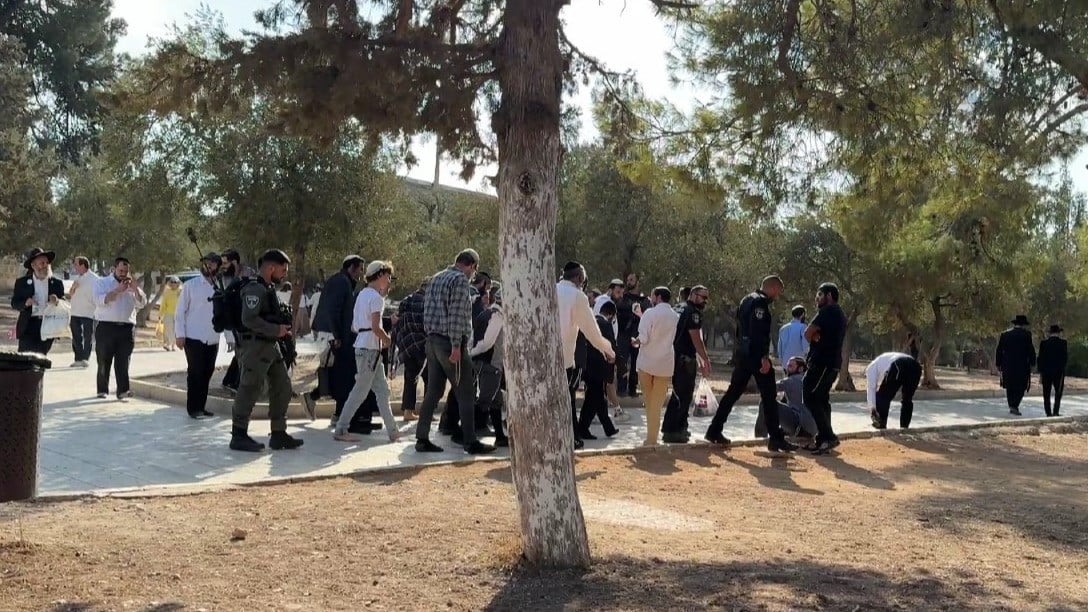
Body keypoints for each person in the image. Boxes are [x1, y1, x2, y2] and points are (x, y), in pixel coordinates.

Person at [414, 249, 495, 455]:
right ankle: (470, 441)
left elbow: (428, 311)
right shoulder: (459, 281)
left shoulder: (436, 278)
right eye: (474, 270)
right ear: (471, 265)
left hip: (432, 340)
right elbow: (457, 316)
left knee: (433, 392)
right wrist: (457, 346)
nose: (473, 275)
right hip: (451, 343)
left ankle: (422, 438)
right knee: (466, 392)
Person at [704, 276, 797, 453]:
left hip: (743, 355)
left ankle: (714, 429)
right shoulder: (760, 303)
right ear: (773, 287)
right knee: (769, 396)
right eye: (778, 291)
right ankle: (776, 439)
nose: (777, 295)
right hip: (755, 355)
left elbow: (741, 330)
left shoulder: (746, 300)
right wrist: (763, 356)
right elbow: (758, 331)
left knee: (732, 393)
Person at [229, 249, 304, 452]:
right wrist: (275, 329)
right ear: (271, 268)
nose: (285, 274)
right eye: (283, 269)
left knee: (283, 387)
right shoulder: (254, 289)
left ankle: (279, 433)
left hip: (270, 346)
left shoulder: (268, 288)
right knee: (250, 387)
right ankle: (238, 434)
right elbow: (248, 319)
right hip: (255, 346)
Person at [333, 261, 401, 443]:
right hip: (371, 350)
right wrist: (386, 339)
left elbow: (355, 326)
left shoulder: (362, 294)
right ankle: (341, 428)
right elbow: (376, 326)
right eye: (388, 277)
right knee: (362, 391)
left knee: (381, 391)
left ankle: (393, 432)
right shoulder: (376, 298)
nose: (389, 281)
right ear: (380, 276)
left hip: (365, 347)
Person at [557, 262, 617, 449]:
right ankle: (569, 439)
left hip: (540, 358)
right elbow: (593, 334)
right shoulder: (578, 297)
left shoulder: (549, 289)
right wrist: (608, 351)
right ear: (580, 278)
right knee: (565, 401)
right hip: (564, 360)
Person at [310, 255, 365, 426]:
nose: (361, 273)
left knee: (339, 374)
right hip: (333, 335)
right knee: (336, 373)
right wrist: (337, 336)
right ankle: (314, 396)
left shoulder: (343, 281)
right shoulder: (341, 282)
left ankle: (336, 410)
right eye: (360, 268)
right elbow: (333, 310)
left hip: (338, 334)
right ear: (352, 267)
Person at [661, 285, 712, 444]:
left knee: (677, 393)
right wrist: (705, 359)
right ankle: (675, 430)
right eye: (703, 297)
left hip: (672, 355)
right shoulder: (693, 312)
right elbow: (695, 337)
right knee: (684, 394)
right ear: (694, 295)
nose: (705, 301)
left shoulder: (678, 308)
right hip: (684, 359)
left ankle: (675, 427)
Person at [93, 256, 147, 401]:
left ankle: (123, 390)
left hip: (126, 328)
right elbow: (98, 300)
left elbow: (142, 303)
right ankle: (102, 389)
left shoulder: (132, 285)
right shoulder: (102, 282)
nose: (123, 273)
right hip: (106, 327)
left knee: (123, 360)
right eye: (121, 270)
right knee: (104, 359)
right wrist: (118, 290)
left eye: (126, 271)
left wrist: (134, 289)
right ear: (114, 269)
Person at [175, 252, 222, 420]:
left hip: (213, 337)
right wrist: (180, 334)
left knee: (207, 372)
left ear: (217, 266)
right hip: (193, 336)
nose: (208, 266)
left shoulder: (220, 286)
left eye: (212, 263)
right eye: (206, 263)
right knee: (195, 372)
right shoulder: (191, 286)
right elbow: (180, 311)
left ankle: (201, 407)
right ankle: (193, 409)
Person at [803, 282, 848, 454]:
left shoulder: (827, 311)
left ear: (829, 296)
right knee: (822, 399)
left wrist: (815, 338)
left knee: (809, 396)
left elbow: (808, 333)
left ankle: (828, 436)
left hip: (822, 362)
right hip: (834, 363)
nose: (817, 298)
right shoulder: (841, 314)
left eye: (820, 294)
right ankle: (823, 440)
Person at [633, 286, 678, 446]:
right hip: (665, 364)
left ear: (657, 297)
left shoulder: (650, 314)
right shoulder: (675, 316)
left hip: (646, 362)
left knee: (649, 399)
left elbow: (643, 338)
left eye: (652, 295)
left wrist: (635, 341)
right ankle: (653, 437)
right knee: (657, 403)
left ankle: (651, 437)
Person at [469, 285, 508, 446]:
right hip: (490, 363)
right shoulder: (497, 316)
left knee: (495, 401)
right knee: (485, 401)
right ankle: (467, 434)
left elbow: (473, 337)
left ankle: (500, 436)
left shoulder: (486, 313)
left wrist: (471, 352)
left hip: (483, 362)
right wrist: (474, 352)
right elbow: (487, 342)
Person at [576, 300, 620, 440]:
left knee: (599, 398)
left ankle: (608, 428)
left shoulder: (591, 323)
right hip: (598, 367)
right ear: (611, 315)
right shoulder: (606, 325)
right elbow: (610, 347)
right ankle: (582, 428)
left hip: (586, 366)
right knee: (593, 399)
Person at [11, 247, 66, 355]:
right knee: (24, 359)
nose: (45, 265)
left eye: (47, 263)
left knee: (41, 360)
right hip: (28, 325)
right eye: (41, 263)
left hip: (48, 325)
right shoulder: (22, 283)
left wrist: (57, 301)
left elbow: (63, 302)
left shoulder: (56, 283)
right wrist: (25, 303)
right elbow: (14, 303)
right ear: (33, 265)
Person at [755, 356, 818, 440]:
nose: (787, 368)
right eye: (787, 366)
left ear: (801, 368)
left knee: (765, 402)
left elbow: (768, 388)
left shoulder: (791, 380)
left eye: (791, 366)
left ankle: (760, 437)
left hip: (800, 427)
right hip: (813, 430)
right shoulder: (812, 381)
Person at [394, 277, 429, 422]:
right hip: (421, 345)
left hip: (407, 345)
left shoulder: (406, 300)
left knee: (410, 378)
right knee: (430, 379)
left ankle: (408, 411)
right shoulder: (426, 302)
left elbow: (398, 322)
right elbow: (427, 325)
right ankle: (427, 412)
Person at [865, 352, 922, 430]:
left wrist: (872, 409)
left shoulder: (870, 368)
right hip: (915, 366)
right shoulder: (883, 361)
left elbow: (871, 388)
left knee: (882, 396)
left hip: (899, 364)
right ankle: (904, 428)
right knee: (907, 399)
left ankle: (881, 424)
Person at [996, 314, 1036, 416]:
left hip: (1008, 365)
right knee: (1021, 387)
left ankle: (1012, 405)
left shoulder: (1005, 334)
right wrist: (1033, 363)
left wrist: (998, 363)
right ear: (1023, 325)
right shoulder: (1027, 335)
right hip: (1022, 365)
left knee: (1010, 386)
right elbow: (1031, 350)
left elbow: (999, 350)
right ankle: (1014, 405)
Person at [619, 273, 651, 397]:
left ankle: (632, 389)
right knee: (622, 362)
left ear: (638, 282)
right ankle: (621, 389)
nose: (629, 282)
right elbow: (619, 307)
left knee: (636, 364)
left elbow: (648, 313)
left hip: (638, 335)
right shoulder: (624, 297)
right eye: (628, 279)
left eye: (631, 280)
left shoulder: (644, 300)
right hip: (623, 335)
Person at [67, 255, 98, 367]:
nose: (74, 266)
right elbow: (70, 294)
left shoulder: (94, 279)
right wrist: (73, 288)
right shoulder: (77, 278)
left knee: (87, 336)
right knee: (76, 337)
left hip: (88, 313)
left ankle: (85, 358)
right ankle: (78, 358)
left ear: (83, 265)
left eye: (76, 264)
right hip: (75, 312)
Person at [1038, 324, 1068, 417]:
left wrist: (1041, 372)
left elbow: (1040, 359)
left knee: (1046, 393)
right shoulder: (1063, 343)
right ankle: (1056, 411)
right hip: (1059, 372)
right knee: (1058, 393)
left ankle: (1048, 412)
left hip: (1046, 372)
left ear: (1049, 333)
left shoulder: (1043, 343)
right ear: (1059, 333)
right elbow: (1065, 358)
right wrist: (1062, 368)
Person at [777, 305, 809, 373]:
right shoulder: (803, 327)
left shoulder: (783, 328)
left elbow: (780, 347)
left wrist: (782, 361)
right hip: (798, 363)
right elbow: (805, 347)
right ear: (803, 314)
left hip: (786, 363)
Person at [160, 276, 181, 351]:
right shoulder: (167, 292)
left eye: (175, 282)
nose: (173, 283)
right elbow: (163, 304)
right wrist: (161, 314)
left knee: (176, 330)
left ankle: (173, 345)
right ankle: (168, 344)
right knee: (168, 330)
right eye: (171, 282)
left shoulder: (180, 291)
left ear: (178, 283)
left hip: (178, 314)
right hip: (168, 313)